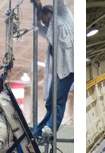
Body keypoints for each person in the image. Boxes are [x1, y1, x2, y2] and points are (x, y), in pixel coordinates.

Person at [32, 0, 74, 139]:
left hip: (69, 68)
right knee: (51, 102)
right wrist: (37, 6)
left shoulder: (63, 14)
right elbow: (37, 26)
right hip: (59, 71)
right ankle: (39, 132)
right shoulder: (49, 30)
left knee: (58, 101)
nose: (45, 24)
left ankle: (50, 128)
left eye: (45, 19)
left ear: (50, 13)